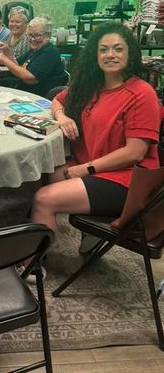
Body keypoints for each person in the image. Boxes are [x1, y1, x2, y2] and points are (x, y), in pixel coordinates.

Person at [30, 22, 161, 253]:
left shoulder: (142, 94)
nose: (110, 55)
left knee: (44, 199)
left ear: (130, 53)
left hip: (127, 181)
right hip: (97, 168)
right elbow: (58, 99)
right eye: (103, 49)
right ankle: (88, 233)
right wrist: (61, 117)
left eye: (118, 49)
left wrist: (87, 169)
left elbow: (135, 152)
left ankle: (32, 268)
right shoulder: (91, 85)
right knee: (44, 168)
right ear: (95, 55)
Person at [0, 16, 64, 97]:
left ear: (48, 35)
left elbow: (29, 77)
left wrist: (5, 60)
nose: (33, 39)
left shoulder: (49, 52)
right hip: (25, 93)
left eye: (37, 35)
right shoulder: (35, 49)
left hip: (39, 98)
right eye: (30, 35)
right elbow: (17, 65)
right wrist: (7, 52)